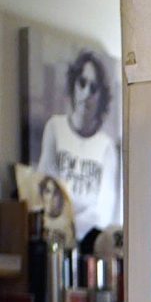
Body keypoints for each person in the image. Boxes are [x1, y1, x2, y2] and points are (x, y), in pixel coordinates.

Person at [37, 50, 120, 242]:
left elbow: (103, 211)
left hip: (88, 243)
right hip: (52, 238)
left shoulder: (107, 147)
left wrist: (71, 227)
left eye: (94, 88)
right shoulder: (54, 128)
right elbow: (44, 184)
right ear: (73, 85)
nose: (86, 93)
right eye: (82, 83)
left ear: (101, 97)